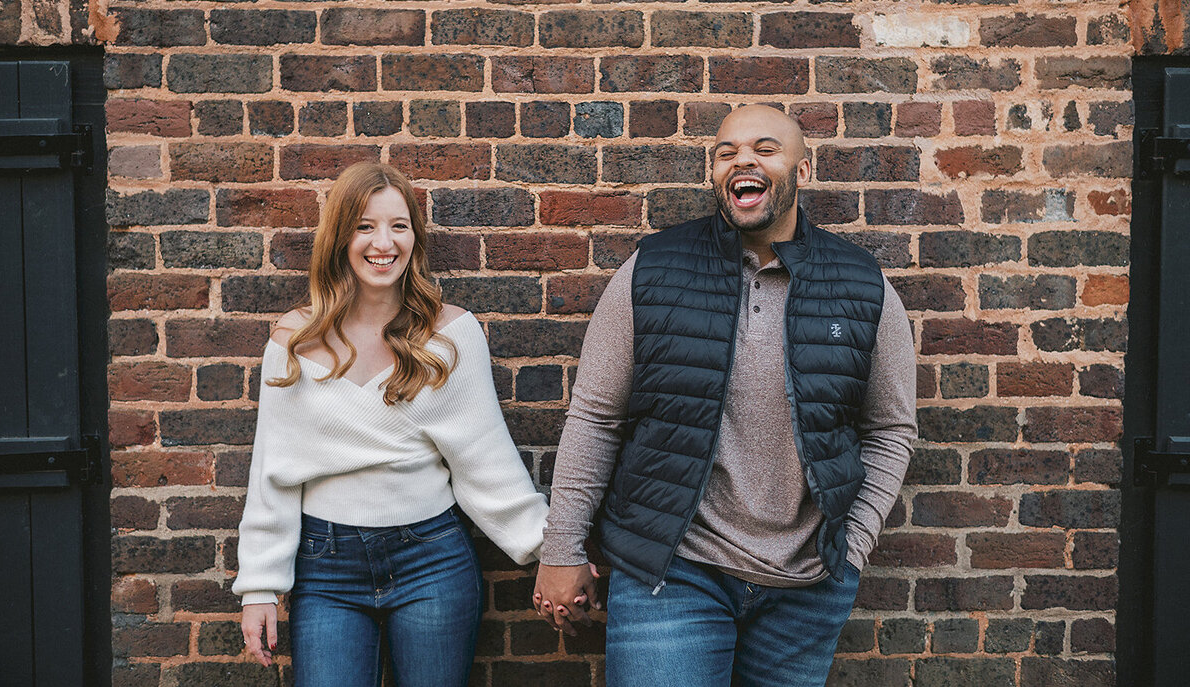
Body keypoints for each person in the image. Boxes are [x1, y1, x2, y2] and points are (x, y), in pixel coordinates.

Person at [533, 104, 917, 686]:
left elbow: (891, 430)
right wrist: (561, 548)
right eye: (726, 152)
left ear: (802, 171)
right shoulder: (653, 269)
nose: (743, 161)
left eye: (765, 149)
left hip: (807, 588)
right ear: (715, 172)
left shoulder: (861, 285)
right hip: (672, 571)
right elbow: (595, 417)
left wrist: (853, 546)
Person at [234, 162, 549, 687]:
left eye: (398, 225)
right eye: (364, 226)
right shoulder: (294, 339)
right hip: (325, 567)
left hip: (433, 560)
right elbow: (272, 470)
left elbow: (486, 462)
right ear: (339, 237)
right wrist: (260, 588)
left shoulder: (451, 333)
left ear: (415, 237)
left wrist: (554, 552)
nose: (384, 242)